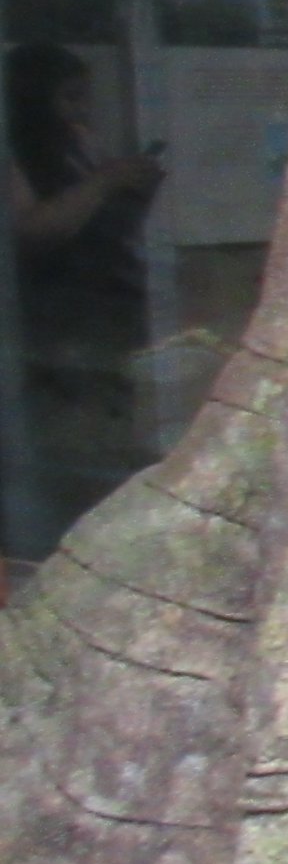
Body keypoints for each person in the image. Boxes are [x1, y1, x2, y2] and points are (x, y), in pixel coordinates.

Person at [5, 44, 165, 536]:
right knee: (73, 444)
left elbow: (101, 226)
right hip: (56, 319)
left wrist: (132, 189)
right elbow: (32, 231)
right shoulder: (18, 153)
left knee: (108, 425)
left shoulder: (77, 144)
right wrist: (104, 182)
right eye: (70, 98)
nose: (82, 111)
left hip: (107, 307)